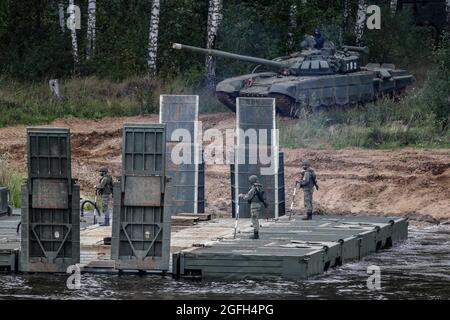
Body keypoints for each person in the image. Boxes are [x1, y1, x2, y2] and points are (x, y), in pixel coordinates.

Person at [239, 175, 268, 239]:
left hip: (254, 205)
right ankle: (256, 233)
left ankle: (256, 234)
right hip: (258, 204)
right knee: (255, 219)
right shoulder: (259, 187)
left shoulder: (254, 188)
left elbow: (248, 197)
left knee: (254, 219)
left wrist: (242, 196)